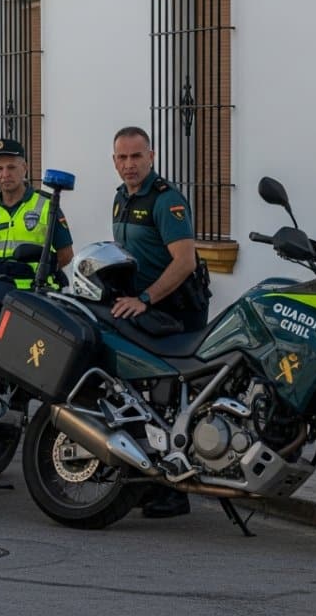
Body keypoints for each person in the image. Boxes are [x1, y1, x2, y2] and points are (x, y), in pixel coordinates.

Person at [110, 125, 211, 518]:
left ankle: (177, 491)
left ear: (151, 157)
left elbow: (184, 261)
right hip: (144, 311)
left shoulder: (165, 200)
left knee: (171, 401)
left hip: (175, 311)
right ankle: (153, 481)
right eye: (122, 157)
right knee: (143, 399)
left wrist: (146, 298)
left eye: (137, 157)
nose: (129, 165)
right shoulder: (121, 198)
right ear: (114, 161)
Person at [0, 138, 73, 289]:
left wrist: (42, 272)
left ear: (24, 168)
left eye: (11, 167)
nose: (5, 174)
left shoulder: (46, 205)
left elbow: (66, 254)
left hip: (34, 291)